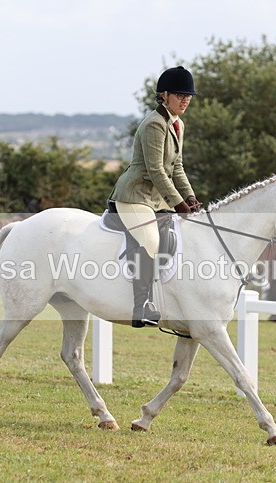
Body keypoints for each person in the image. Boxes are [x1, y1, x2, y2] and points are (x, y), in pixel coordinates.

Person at [109, 65, 202, 328]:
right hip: (134, 195)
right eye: (180, 95)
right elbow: (157, 171)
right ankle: (142, 306)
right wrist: (179, 204)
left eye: (188, 96)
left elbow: (178, 167)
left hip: (156, 198)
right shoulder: (154, 124)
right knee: (151, 239)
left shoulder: (177, 123)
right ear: (164, 95)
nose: (186, 100)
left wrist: (191, 198)